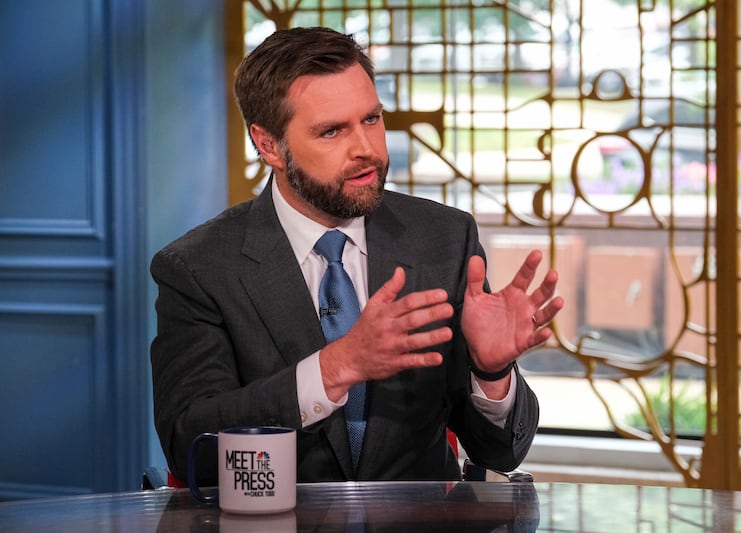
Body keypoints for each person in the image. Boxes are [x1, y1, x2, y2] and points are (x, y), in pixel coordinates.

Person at [150, 26, 564, 485]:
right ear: (269, 145)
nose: (367, 150)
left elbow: (501, 453)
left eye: (371, 119)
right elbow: (191, 444)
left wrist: (491, 372)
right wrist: (333, 369)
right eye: (332, 131)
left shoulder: (444, 238)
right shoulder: (199, 268)